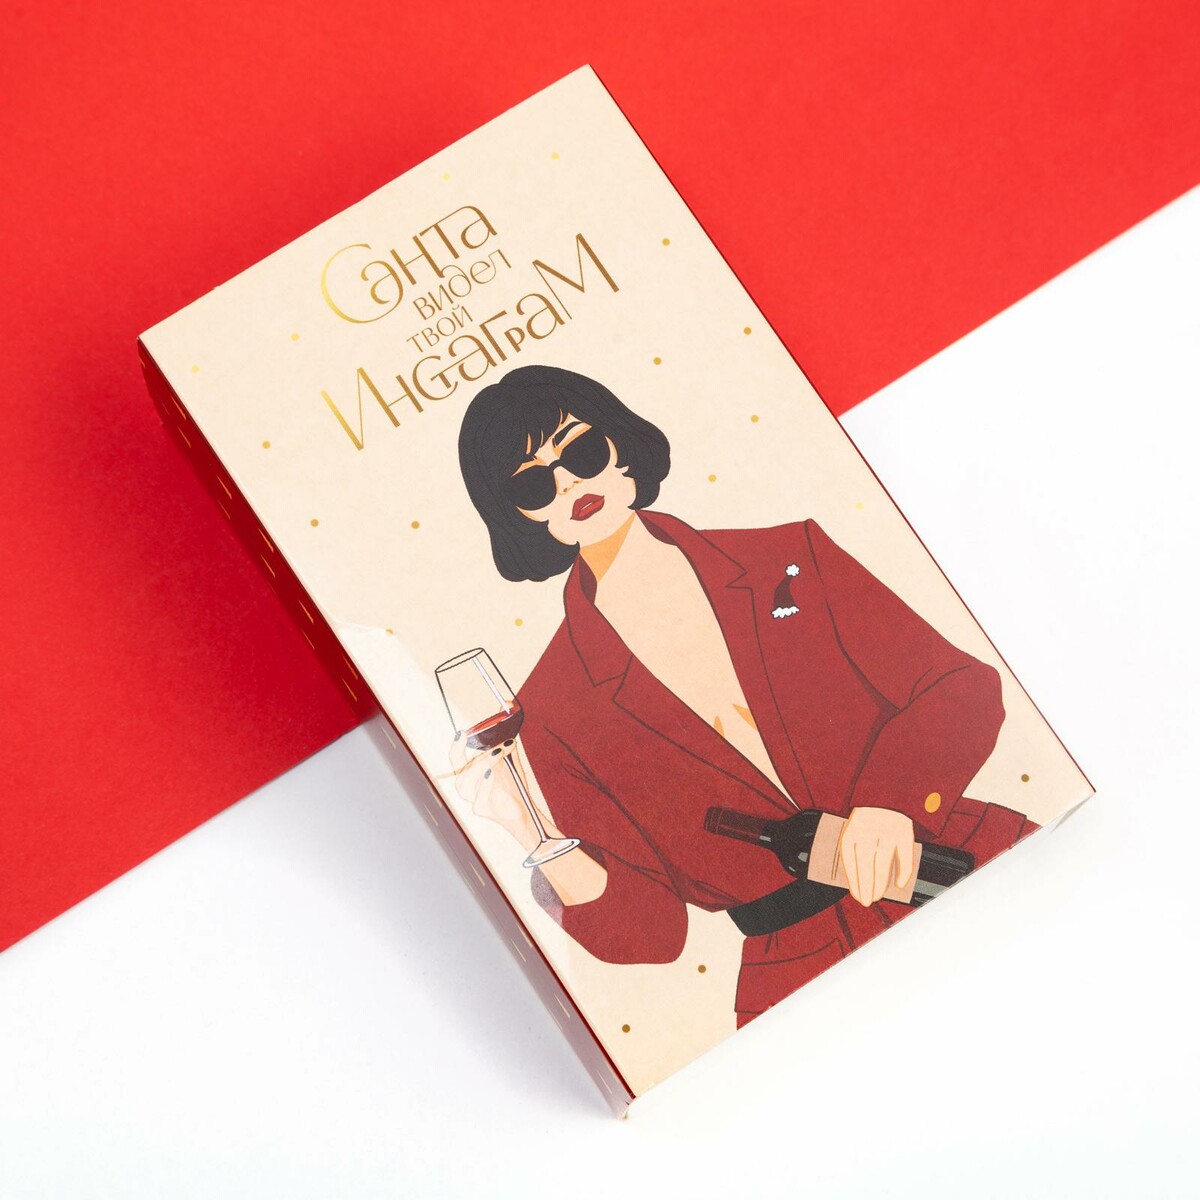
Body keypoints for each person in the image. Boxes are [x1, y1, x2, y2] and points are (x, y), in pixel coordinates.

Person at [451, 364, 1035, 1027]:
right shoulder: (551, 708)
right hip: (799, 975)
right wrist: (531, 830)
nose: (568, 485)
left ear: (619, 445)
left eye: (581, 452)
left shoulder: (788, 556)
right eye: (533, 484)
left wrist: (891, 805)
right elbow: (652, 932)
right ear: (518, 516)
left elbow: (960, 686)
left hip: (961, 861)